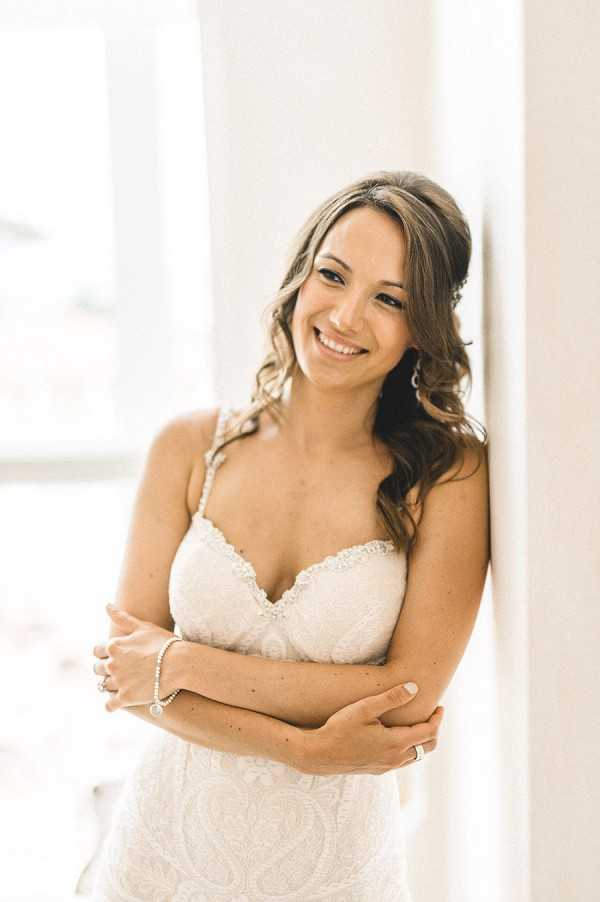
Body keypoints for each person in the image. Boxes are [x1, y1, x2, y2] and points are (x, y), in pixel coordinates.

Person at [91, 169, 490, 901]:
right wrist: (305, 749)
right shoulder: (188, 449)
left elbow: (404, 698)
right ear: (299, 275)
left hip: (333, 871)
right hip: (164, 857)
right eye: (331, 275)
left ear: (424, 325)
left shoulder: (449, 475)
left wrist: (179, 660)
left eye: (389, 299)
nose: (344, 316)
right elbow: (126, 675)